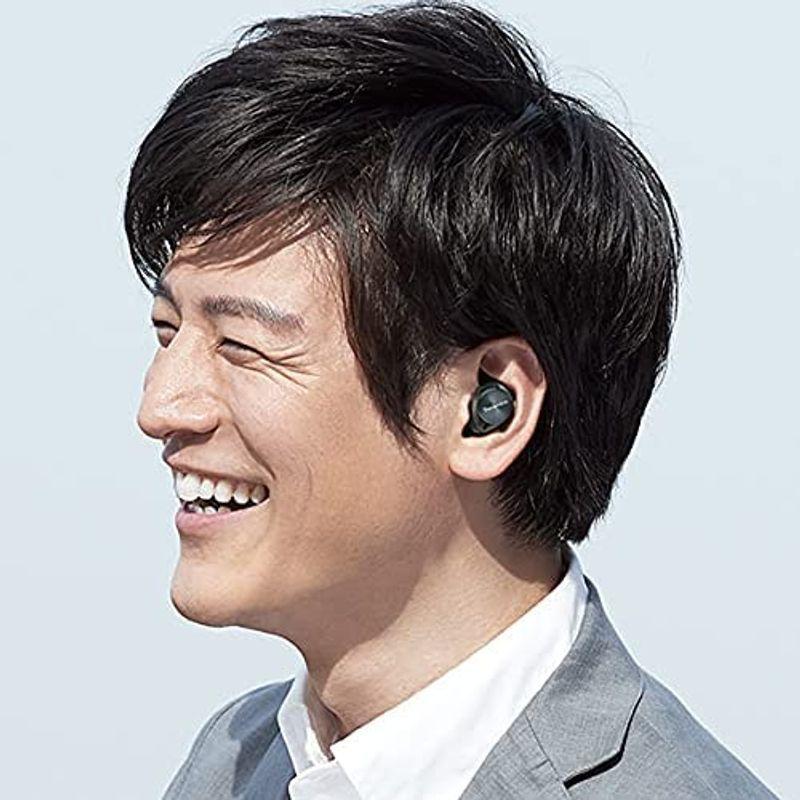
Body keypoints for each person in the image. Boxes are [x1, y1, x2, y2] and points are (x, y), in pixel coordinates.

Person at [125, 2, 781, 798]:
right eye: (168, 332)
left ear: (486, 407)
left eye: (243, 344)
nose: (162, 407)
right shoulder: (234, 760)